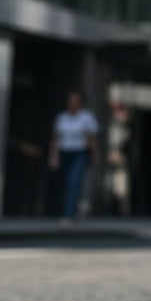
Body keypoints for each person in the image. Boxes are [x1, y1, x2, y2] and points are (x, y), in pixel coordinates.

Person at [48, 91, 100, 223]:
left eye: (74, 100)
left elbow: (91, 139)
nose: (71, 103)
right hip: (65, 153)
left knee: (74, 181)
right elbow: (56, 138)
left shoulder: (87, 117)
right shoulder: (62, 118)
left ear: (80, 103)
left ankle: (68, 215)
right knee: (69, 183)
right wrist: (54, 156)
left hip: (80, 153)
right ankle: (79, 205)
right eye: (69, 100)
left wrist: (94, 156)